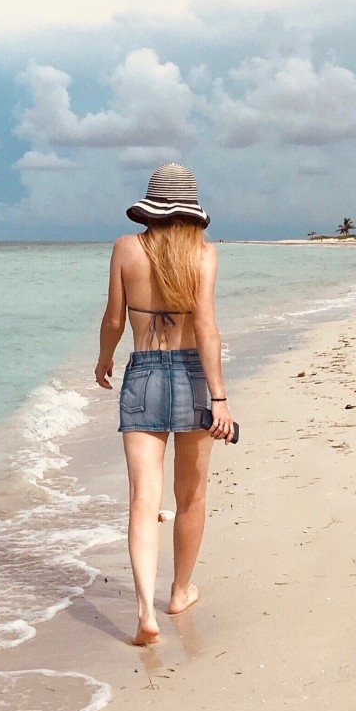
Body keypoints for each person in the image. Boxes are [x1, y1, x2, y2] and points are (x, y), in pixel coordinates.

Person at [93, 164, 234, 646]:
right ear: (192, 212)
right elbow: (208, 329)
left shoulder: (125, 248)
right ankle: (177, 592)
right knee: (191, 495)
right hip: (194, 375)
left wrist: (103, 360)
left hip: (144, 373)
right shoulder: (204, 254)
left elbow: (114, 319)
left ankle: (142, 612)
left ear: (149, 208)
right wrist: (220, 399)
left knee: (142, 499)